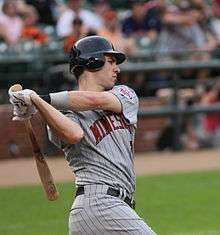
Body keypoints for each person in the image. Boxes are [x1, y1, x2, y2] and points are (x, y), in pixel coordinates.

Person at [8, 36, 156, 235]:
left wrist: (37, 99)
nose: (117, 68)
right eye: (110, 61)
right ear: (93, 62)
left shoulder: (124, 94)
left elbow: (94, 100)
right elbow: (74, 134)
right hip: (100, 204)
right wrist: (35, 102)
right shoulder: (60, 115)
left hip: (110, 208)